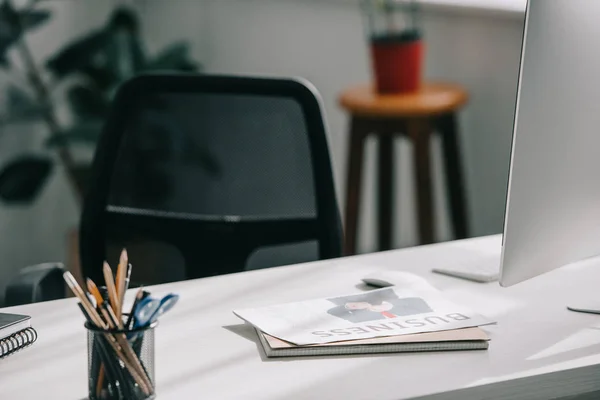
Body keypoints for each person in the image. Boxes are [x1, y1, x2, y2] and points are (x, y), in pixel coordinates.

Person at [326, 288, 432, 323]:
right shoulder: (361, 316)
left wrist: (390, 305)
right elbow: (331, 312)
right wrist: (349, 306)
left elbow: (420, 303)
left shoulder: (410, 305)